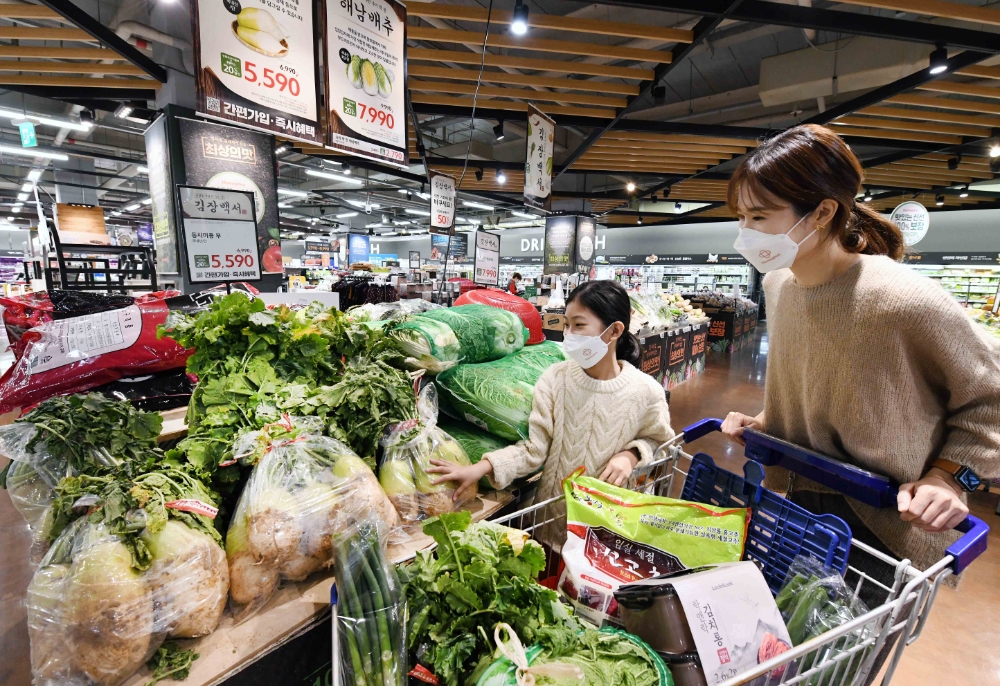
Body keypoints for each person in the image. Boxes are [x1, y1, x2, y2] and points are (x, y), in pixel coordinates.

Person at [721, 124, 1000, 590]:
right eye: (742, 218)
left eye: (759, 217)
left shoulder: (904, 300)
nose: (745, 233)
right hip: (792, 503)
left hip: (880, 532)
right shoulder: (779, 286)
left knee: (831, 661)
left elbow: (990, 396)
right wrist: (773, 419)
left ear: (822, 212)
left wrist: (949, 479)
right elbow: (831, 380)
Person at [427, 279, 674, 519]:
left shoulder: (646, 392)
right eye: (566, 325)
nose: (569, 334)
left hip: (608, 528)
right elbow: (534, 450)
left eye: (578, 325)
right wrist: (479, 468)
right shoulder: (556, 379)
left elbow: (660, 443)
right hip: (553, 520)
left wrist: (631, 455)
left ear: (615, 331)